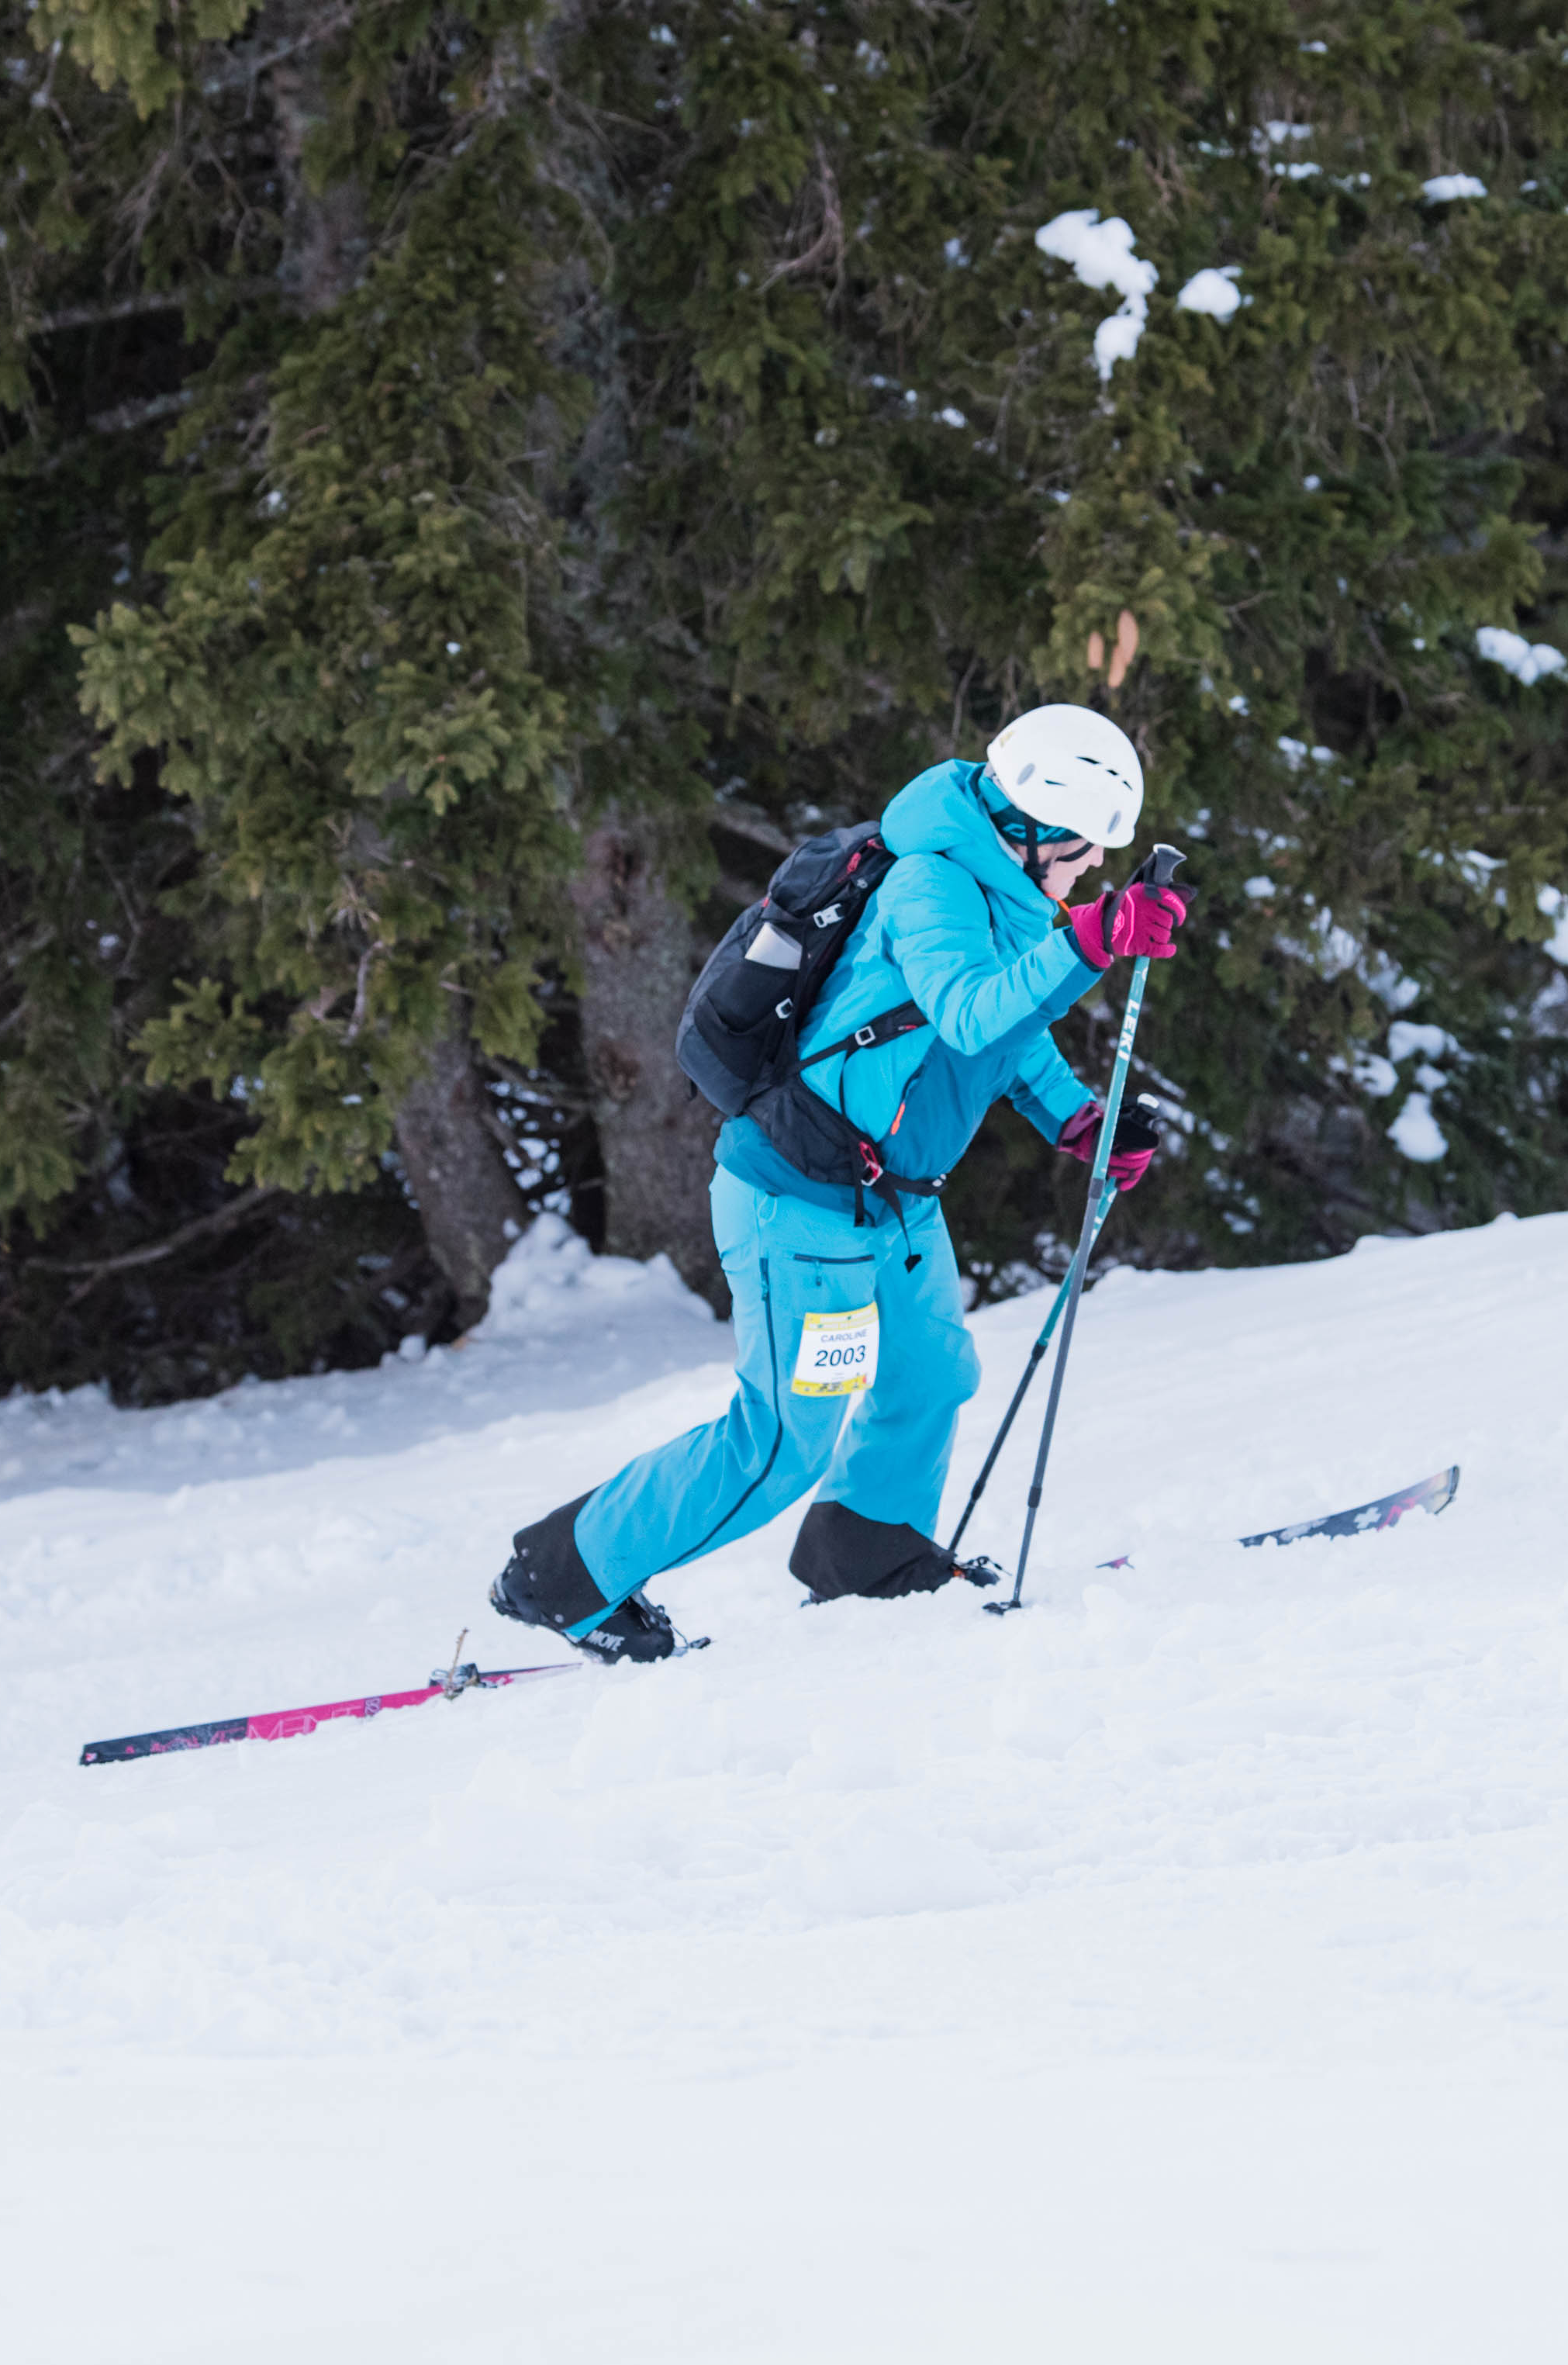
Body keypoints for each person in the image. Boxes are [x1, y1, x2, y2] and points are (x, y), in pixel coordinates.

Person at [487, 706, 1193, 1661]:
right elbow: (970, 1011)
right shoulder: (930, 885)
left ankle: (864, 1547)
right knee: (782, 1441)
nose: (1095, 864)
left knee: (931, 1374)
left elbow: (1001, 1039)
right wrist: (1091, 942)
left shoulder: (1007, 889)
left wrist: (1079, 1121)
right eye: (1083, 843)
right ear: (1029, 825)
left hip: (895, 1201)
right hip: (801, 1205)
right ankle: (562, 1575)